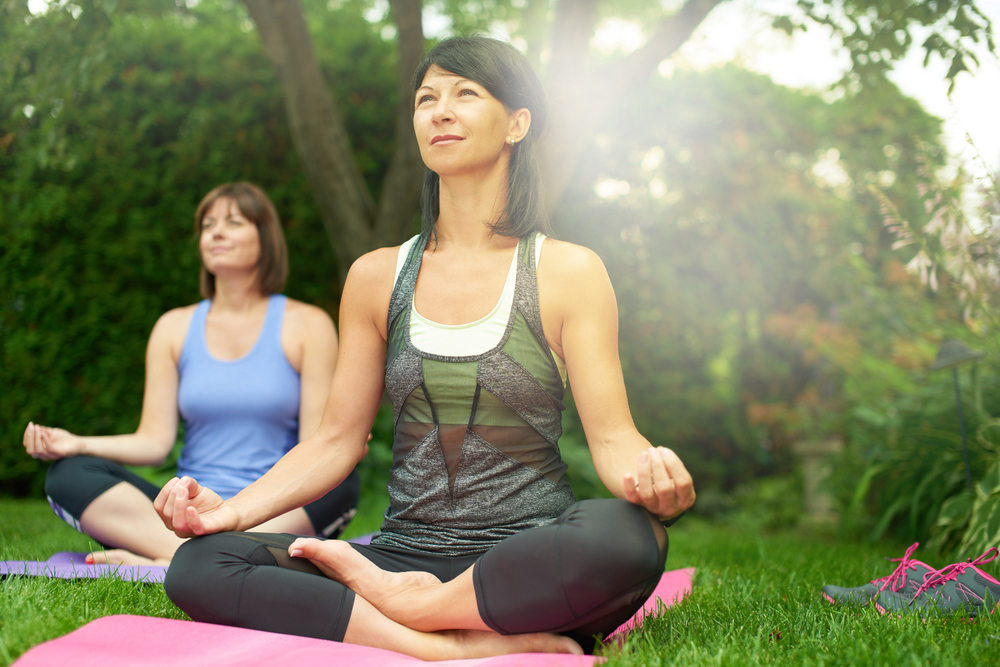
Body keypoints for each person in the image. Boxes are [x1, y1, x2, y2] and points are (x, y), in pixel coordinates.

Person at [155, 38, 695, 660]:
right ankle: (451, 646)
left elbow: (612, 439)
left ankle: (423, 610)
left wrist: (653, 482)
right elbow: (336, 440)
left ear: (517, 123)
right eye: (426, 98)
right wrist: (232, 514)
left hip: (526, 556)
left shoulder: (567, 271)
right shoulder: (376, 276)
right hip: (399, 551)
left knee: (629, 535)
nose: (440, 111)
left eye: (466, 93)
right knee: (201, 564)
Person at [22, 182, 361, 566]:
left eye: (233, 222)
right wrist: (77, 444)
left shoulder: (308, 326)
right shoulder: (173, 327)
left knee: (340, 478)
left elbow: (315, 448)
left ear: (265, 239)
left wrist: (250, 507)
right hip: (186, 509)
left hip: (272, 510)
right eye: (207, 225)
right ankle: (203, 554)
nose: (215, 232)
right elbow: (154, 442)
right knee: (68, 475)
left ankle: (175, 557)